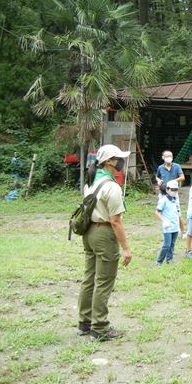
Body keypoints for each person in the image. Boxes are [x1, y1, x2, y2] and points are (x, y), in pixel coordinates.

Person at [78, 144, 132, 341]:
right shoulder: (111, 186)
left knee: (89, 278)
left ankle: (84, 322)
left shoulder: (91, 182)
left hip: (89, 233)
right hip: (104, 235)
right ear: (109, 161)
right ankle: (100, 327)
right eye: (118, 158)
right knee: (103, 281)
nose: (121, 161)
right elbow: (115, 221)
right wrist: (126, 248)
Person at [155, 180, 184, 265]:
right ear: (167, 189)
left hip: (175, 226)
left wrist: (180, 227)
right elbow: (157, 212)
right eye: (172, 189)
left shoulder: (175, 200)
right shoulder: (163, 200)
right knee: (166, 245)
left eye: (176, 190)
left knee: (172, 244)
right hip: (167, 227)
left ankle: (169, 259)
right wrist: (164, 221)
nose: (174, 191)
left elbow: (178, 213)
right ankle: (159, 261)